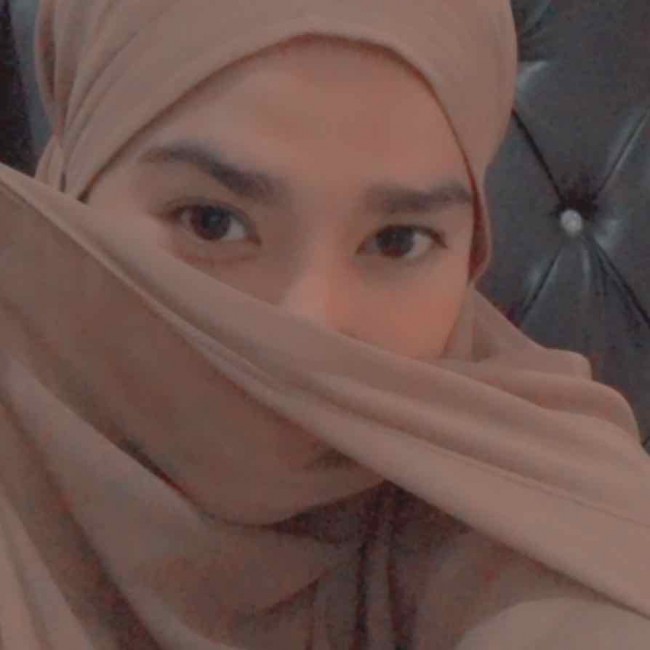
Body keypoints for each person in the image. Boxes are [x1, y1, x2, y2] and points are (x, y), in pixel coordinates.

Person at [0, 0, 649, 648]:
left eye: (397, 241)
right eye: (212, 223)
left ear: (470, 255)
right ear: (75, 191)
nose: (310, 324)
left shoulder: (537, 484)